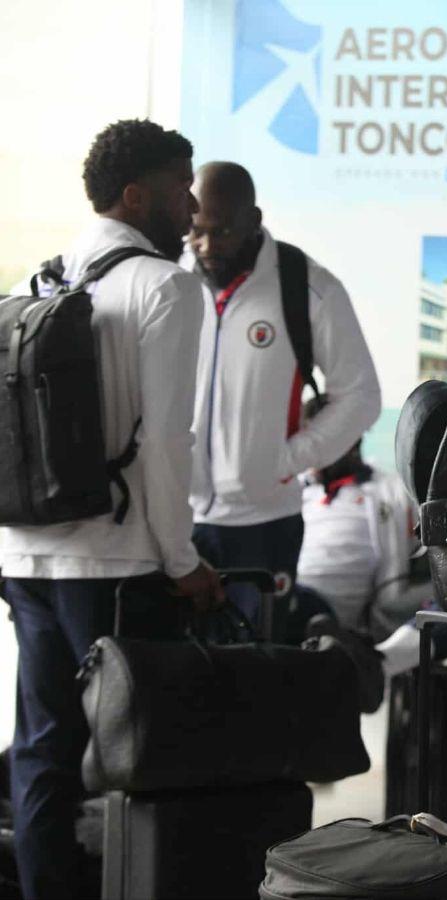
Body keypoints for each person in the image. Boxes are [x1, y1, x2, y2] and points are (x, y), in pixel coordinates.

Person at [0, 119, 222, 900]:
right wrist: (183, 561)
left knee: (43, 752)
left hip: (27, 556)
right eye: (180, 189)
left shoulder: (39, 283)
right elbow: (165, 443)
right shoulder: (166, 288)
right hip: (117, 565)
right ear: (135, 196)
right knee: (142, 758)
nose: (192, 208)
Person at [183, 162, 381, 628]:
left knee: (256, 660)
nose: (206, 246)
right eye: (196, 231)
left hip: (265, 525)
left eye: (222, 231)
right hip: (178, 523)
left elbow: (361, 395)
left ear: (254, 221)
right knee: (176, 663)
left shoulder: (306, 286)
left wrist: (284, 461)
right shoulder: (172, 278)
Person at [295, 397, 421, 634]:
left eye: (318, 442)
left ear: (350, 441)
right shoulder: (297, 491)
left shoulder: (390, 492)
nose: (309, 451)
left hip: (326, 612)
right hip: (289, 589)